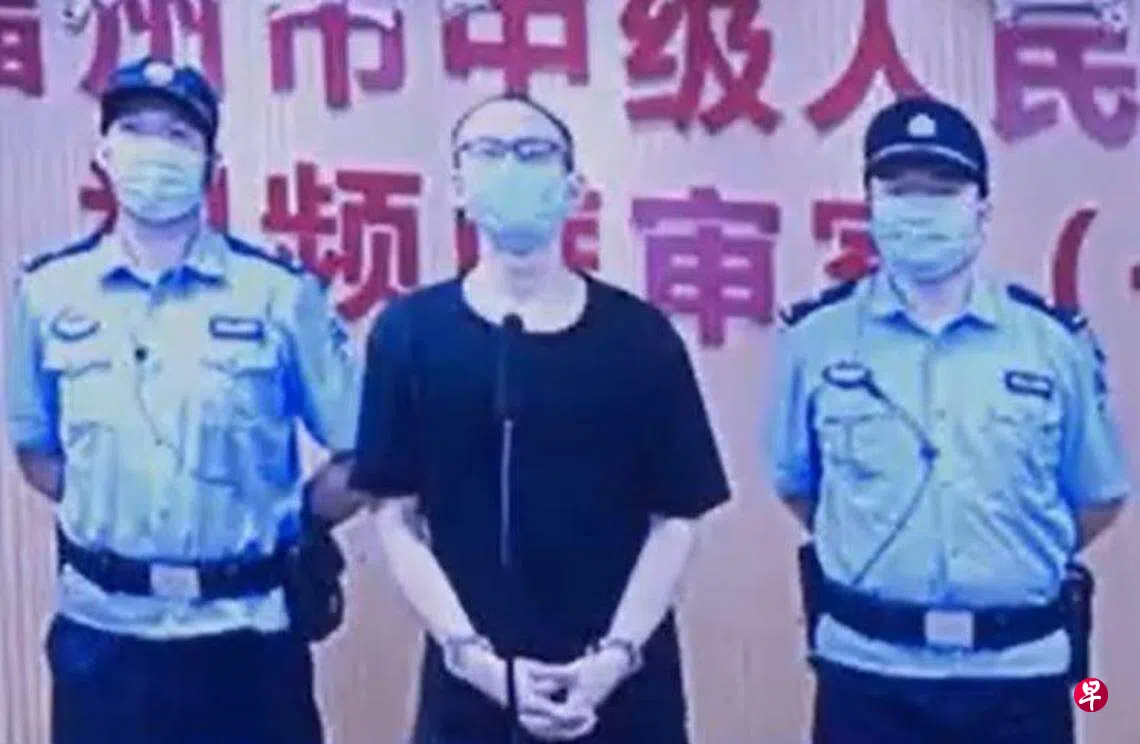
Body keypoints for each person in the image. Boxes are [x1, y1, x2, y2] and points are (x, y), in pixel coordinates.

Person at [350, 92, 730, 744]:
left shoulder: (640, 337)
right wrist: (473, 658)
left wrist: (614, 657)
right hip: (470, 685)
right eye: (488, 152)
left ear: (573, 188)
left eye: (533, 152)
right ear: (459, 188)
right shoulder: (410, 333)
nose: (512, 168)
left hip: (621, 685)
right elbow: (395, 516)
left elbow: (677, 517)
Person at [5, 57, 365, 744]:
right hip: (104, 638)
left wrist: (295, 520)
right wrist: (120, 506)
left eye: (177, 135)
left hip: (247, 636)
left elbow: (361, 450)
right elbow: (36, 451)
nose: (154, 151)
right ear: (104, 153)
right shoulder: (48, 293)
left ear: (211, 164)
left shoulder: (278, 293)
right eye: (134, 130)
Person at [767, 97, 1129, 744]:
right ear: (870, 205)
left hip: (1020, 676)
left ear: (981, 208)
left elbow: (1097, 497)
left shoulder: (1052, 345)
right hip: (866, 675)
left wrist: (1010, 551)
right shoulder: (816, 341)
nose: (921, 207)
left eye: (943, 189)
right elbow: (800, 486)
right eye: (899, 189)